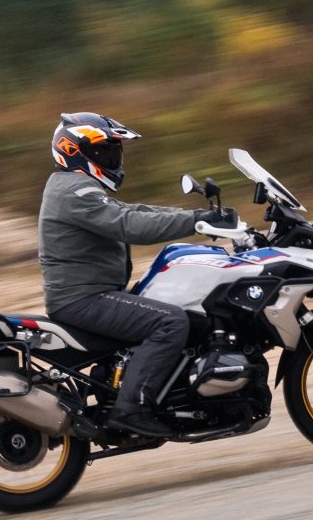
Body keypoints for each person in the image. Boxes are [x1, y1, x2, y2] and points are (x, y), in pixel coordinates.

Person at [38, 112, 232, 438]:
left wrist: (200, 216)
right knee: (171, 322)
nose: (113, 158)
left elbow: (132, 212)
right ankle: (132, 408)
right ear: (75, 152)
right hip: (84, 300)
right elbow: (130, 225)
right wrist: (195, 222)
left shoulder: (78, 187)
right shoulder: (73, 191)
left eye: (114, 151)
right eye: (104, 151)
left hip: (92, 294)